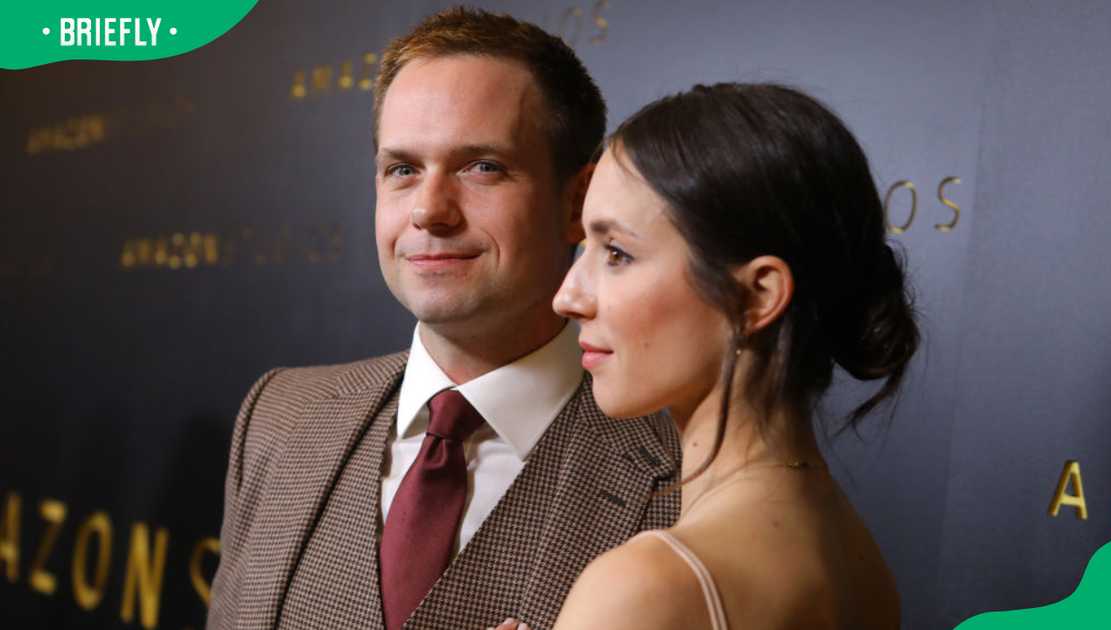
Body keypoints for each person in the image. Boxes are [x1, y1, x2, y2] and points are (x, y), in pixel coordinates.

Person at [205, 8, 679, 630]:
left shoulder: (689, 480)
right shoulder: (279, 417)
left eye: (481, 166)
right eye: (402, 169)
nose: (429, 210)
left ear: (578, 202)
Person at [499, 83, 918, 629]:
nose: (568, 296)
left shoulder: (648, 587)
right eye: (585, 248)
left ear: (757, 296)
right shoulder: (861, 561)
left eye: (617, 254)